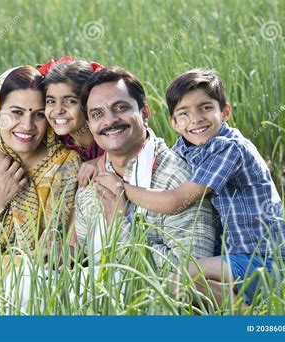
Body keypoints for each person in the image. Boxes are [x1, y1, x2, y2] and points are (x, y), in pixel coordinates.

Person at [96, 68, 285, 305]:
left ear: (225, 111)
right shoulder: (186, 147)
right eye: (184, 113)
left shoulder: (229, 149)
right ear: (174, 123)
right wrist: (96, 163)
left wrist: (122, 188)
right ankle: (239, 308)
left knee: (178, 277)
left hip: (258, 261)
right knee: (188, 287)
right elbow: (159, 157)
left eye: (205, 108)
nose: (196, 119)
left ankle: (249, 319)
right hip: (228, 259)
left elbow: (176, 200)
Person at [0, 66, 81, 312]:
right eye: (16, 113)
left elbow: (72, 247)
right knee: (28, 280)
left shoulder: (66, 163)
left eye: (39, 115)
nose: (27, 125)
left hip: (53, 277)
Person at [74, 66, 218, 273]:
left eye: (121, 108)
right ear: (89, 125)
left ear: (144, 113)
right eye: (97, 114)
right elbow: (85, 259)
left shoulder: (177, 177)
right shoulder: (90, 181)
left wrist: (118, 225)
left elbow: (188, 273)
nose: (110, 120)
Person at [0, 57, 104, 188]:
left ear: (88, 102)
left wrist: (102, 161)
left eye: (70, 101)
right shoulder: (51, 130)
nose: (58, 110)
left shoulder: (107, 135)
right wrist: (2, 167)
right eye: (50, 101)